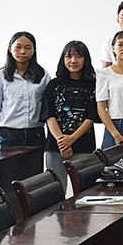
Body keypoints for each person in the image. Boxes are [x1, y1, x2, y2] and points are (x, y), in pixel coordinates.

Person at [40, 41, 99, 191]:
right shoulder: (54, 85)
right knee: (56, 191)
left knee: (86, 190)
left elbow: (92, 117)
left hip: (84, 145)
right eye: (69, 56)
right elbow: (49, 116)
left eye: (78, 56)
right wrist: (63, 142)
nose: (73, 60)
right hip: (55, 147)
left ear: (86, 59)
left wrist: (71, 139)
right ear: (63, 59)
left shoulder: (94, 85)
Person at [0, 32, 51, 147]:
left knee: (36, 160)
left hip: (36, 134)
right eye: (18, 47)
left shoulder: (43, 76)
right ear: (10, 49)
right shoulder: (0, 77)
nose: (22, 51)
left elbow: (49, 107)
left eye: (28, 48)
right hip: (8, 135)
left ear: (34, 50)